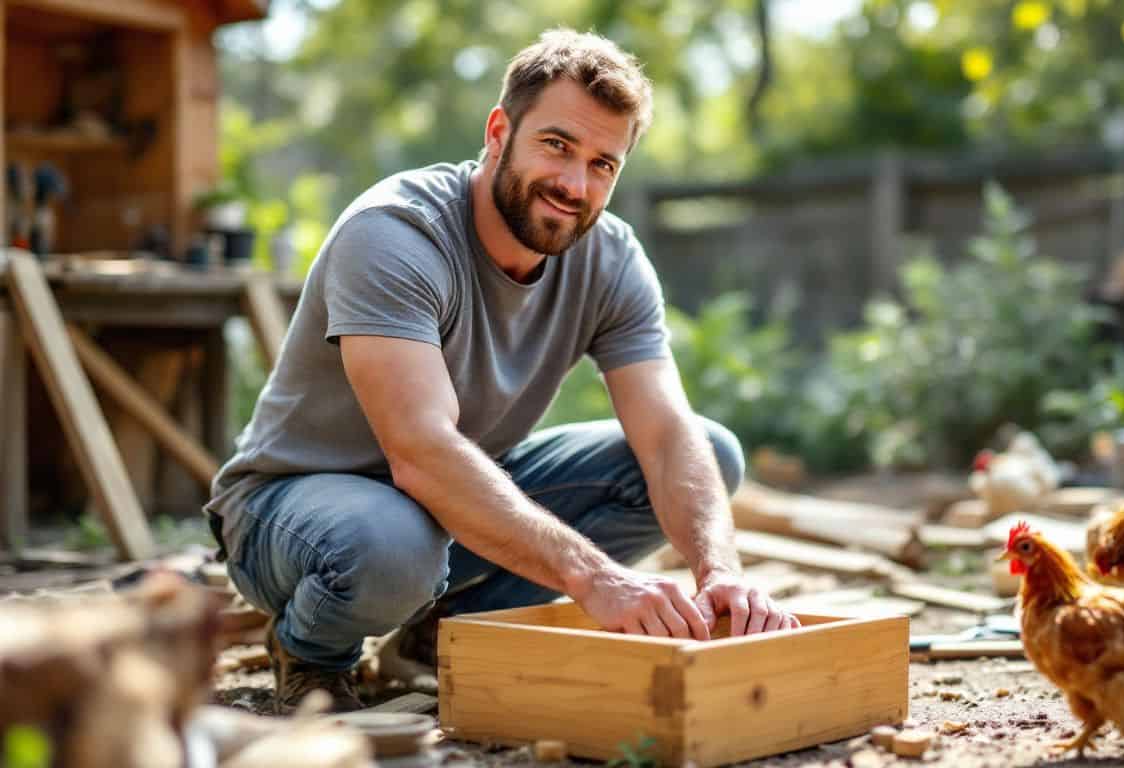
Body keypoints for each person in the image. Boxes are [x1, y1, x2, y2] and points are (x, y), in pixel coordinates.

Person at [204, 27, 798, 715]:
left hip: (441, 504)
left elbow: (666, 435)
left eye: (603, 164)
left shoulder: (610, 259)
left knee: (708, 452)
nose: (575, 185)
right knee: (394, 545)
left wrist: (720, 571)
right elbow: (421, 451)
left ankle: (438, 637)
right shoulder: (396, 234)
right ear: (498, 131)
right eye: (557, 146)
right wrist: (594, 577)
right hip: (291, 510)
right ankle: (309, 650)